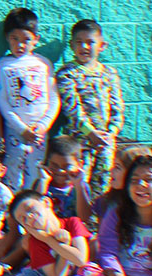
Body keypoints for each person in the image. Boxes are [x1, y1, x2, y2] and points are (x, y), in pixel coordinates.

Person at [54, 19, 125, 198]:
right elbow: (72, 108)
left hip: (106, 144)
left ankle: (102, 224)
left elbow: (117, 107)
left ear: (102, 45)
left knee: (104, 188)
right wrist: (90, 133)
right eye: (79, 42)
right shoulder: (67, 73)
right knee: (79, 187)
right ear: (71, 45)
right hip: (80, 143)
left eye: (90, 42)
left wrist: (111, 133)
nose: (84, 46)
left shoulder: (109, 74)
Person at [0, 191, 93, 276]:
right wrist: (49, 240)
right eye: (23, 219)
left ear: (46, 202)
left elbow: (80, 260)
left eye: (30, 209)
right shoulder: (35, 241)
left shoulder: (72, 223)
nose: (29, 217)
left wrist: (63, 244)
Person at [0, 8, 60, 190]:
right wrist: (21, 128)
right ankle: (14, 213)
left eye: (26, 39)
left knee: (37, 173)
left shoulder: (43, 64)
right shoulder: (2, 65)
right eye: (14, 39)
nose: (20, 45)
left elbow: (54, 99)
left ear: (36, 39)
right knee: (13, 174)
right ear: (7, 38)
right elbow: (3, 102)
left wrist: (43, 126)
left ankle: (36, 208)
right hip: (15, 132)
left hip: (39, 133)